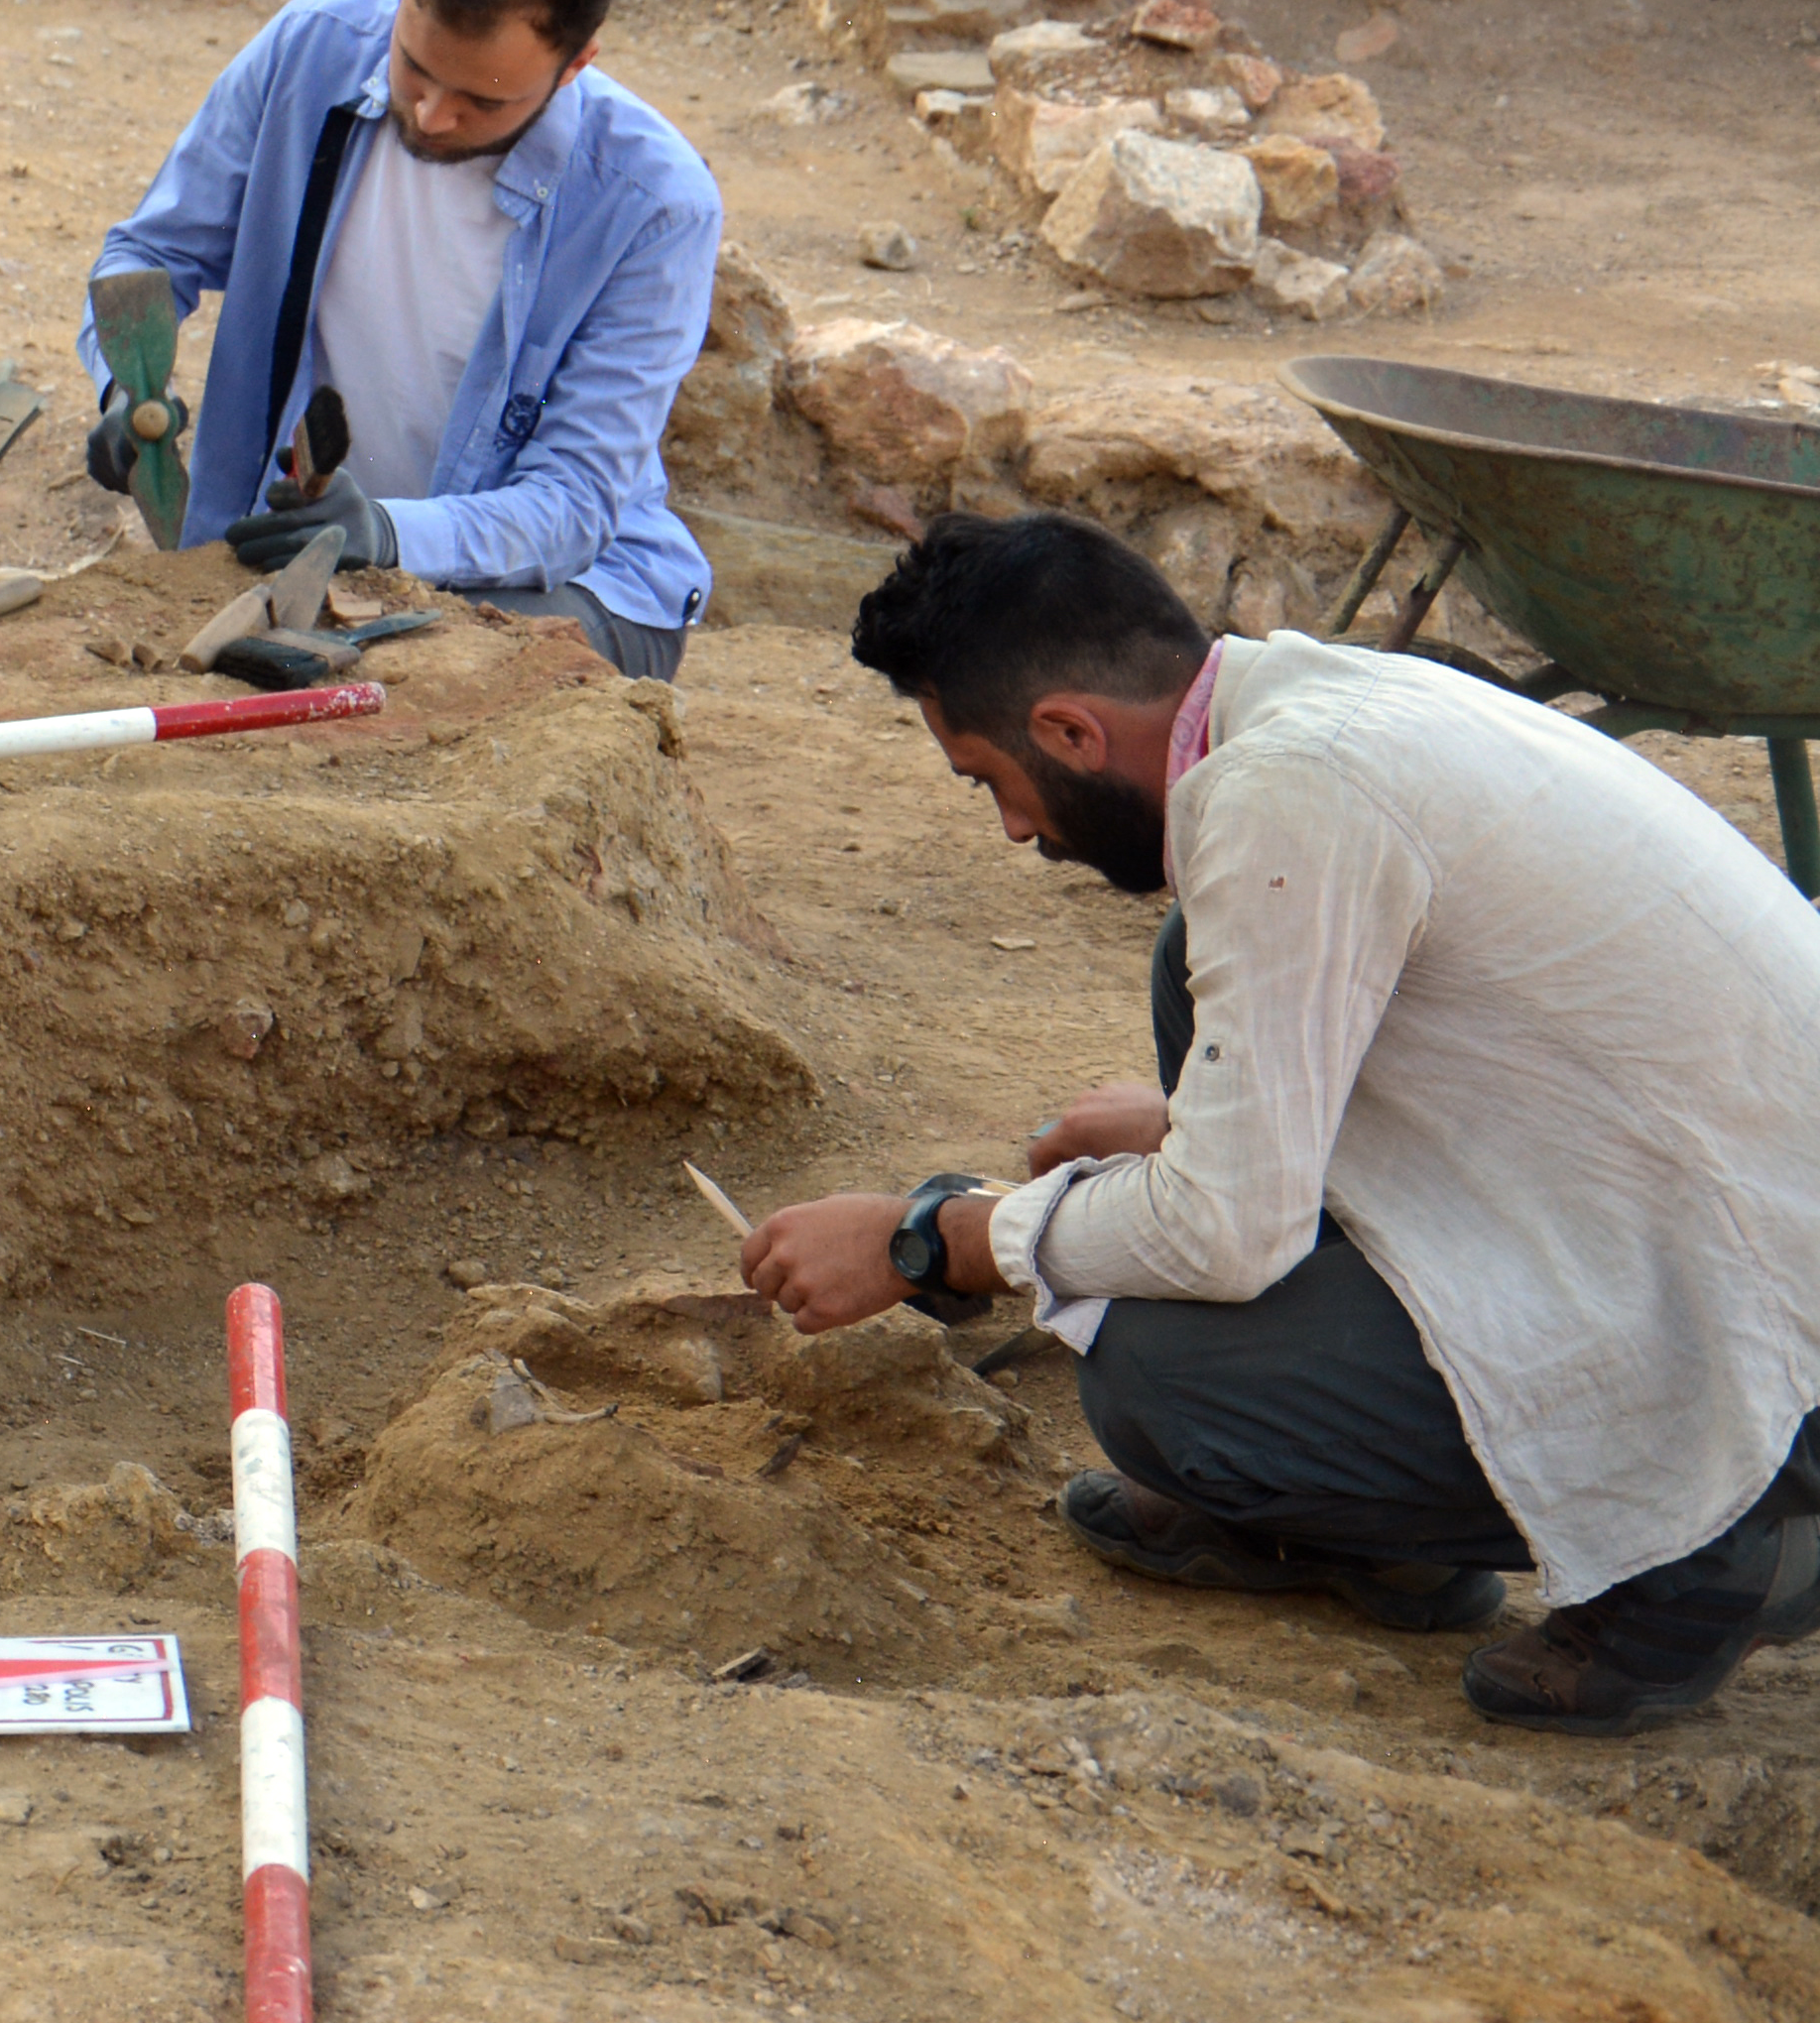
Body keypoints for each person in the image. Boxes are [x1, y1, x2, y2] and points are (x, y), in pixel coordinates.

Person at [741, 515, 1820, 1730]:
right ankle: (1365, 1537)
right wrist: (1181, 1117)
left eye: (991, 780)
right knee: (1184, 966)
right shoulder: (1304, 702)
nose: (1014, 828)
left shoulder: (1284, 796)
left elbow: (1222, 1235)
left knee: (1158, 1380)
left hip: (1775, 1340)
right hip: (1702, 1199)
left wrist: (933, 1238)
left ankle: (1714, 1538)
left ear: (1070, 731)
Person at [73, 0, 718, 679]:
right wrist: (127, 387)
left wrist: (385, 534)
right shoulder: (312, 49)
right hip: (303, 556)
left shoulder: (654, 202)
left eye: (484, 102)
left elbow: (572, 506)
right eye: (414, 65)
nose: (430, 113)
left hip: (577, 587)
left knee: (405, 672)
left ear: (578, 64)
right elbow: (150, 257)